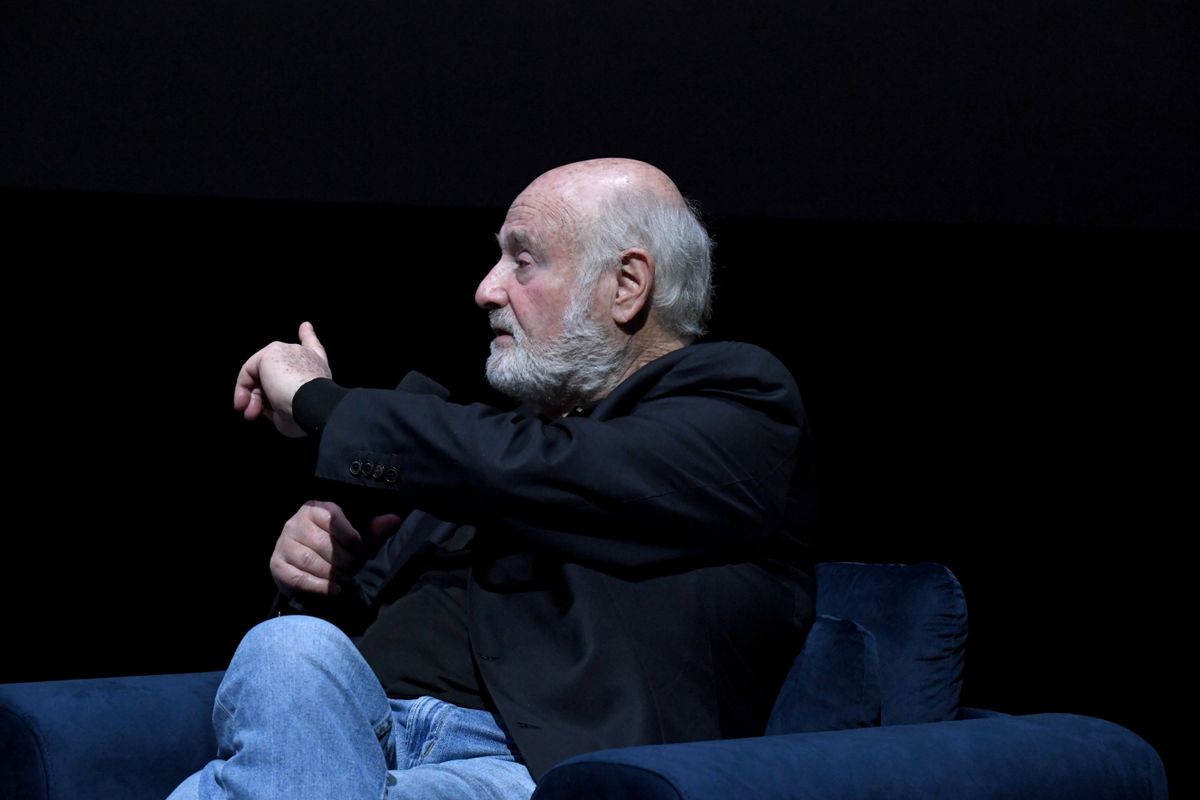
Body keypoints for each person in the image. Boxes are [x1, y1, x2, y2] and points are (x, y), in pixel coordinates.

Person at [169, 158, 816, 800]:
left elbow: (556, 470)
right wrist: (319, 574)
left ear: (626, 284)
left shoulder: (740, 408)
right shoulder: (485, 454)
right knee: (289, 647)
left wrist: (316, 401)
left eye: (523, 260)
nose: (487, 289)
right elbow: (352, 628)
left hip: (522, 768)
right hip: (351, 743)